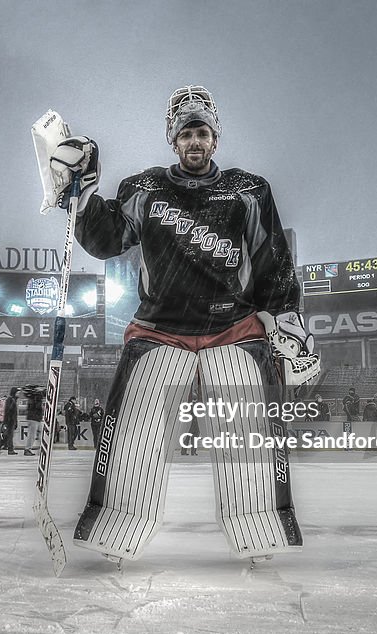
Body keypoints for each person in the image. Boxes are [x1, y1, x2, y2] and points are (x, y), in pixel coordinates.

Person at [49, 85, 315, 563]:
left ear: (215, 139)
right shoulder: (145, 188)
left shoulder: (249, 190)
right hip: (159, 327)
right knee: (133, 433)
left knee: (248, 433)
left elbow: (272, 259)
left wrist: (287, 322)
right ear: (174, 140)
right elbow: (107, 239)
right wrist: (81, 192)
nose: (195, 141)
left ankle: (260, 534)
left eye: (203, 133)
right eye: (187, 133)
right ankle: (116, 532)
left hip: (233, 327)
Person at [22, 384, 46, 457]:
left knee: (40, 433)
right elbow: (36, 407)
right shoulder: (34, 397)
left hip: (36, 418)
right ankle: (27, 449)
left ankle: (41, 447)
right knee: (32, 434)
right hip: (33, 418)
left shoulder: (34, 397)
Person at [2, 387, 20, 455]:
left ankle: (9, 447)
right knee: (10, 435)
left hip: (11, 420)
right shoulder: (11, 400)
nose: (18, 394)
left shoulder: (13, 400)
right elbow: (8, 411)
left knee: (9, 435)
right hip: (10, 421)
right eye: (17, 392)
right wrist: (7, 421)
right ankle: (10, 449)